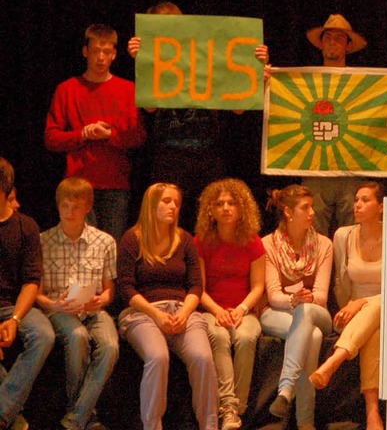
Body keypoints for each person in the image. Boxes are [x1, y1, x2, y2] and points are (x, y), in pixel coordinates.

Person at [127, 2, 269, 233]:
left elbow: (238, 109)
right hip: (170, 155)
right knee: (167, 221)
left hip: (209, 154)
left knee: (210, 224)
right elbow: (150, 107)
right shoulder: (157, 56)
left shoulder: (207, 51)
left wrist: (254, 65)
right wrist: (142, 61)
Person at [117, 183, 218, 430]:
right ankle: (152, 426)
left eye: (176, 202)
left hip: (182, 310)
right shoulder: (132, 239)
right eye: (166, 201)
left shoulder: (184, 240)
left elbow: (196, 287)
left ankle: (210, 425)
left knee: (203, 357)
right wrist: (156, 314)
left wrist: (184, 313)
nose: (173, 206)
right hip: (144, 312)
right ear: (151, 205)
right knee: (158, 356)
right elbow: (126, 289)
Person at [45, 24, 146, 242]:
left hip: (115, 185)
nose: (101, 57)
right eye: (95, 51)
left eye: (107, 52)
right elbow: (51, 138)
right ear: (85, 52)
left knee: (110, 249)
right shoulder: (68, 89)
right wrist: (82, 134)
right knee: (79, 249)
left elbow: (139, 137)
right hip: (77, 184)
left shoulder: (127, 89)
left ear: (114, 55)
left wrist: (110, 135)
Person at [38, 177, 119, 430]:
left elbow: (109, 291)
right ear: (57, 206)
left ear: (88, 208)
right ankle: (85, 416)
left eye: (76, 206)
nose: (70, 212)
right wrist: (55, 306)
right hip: (59, 309)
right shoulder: (43, 241)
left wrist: (101, 300)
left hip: (92, 309)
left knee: (110, 346)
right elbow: (37, 295)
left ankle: (76, 417)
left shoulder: (105, 242)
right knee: (77, 337)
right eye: (65, 206)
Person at [309, 181, 385, 430]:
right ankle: (372, 412)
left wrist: (361, 302)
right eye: (356, 200)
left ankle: (335, 359)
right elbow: (341, 283)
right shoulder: (344, 235)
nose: (358, 205)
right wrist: (348, 307)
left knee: (377, 308)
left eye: (365, 200)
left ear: (381, 207)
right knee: (373, 332)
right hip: (355, 315)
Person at [194, 179, 265, 430]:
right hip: (211, 310)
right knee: (219, 337)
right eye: (220, 203)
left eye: (232, 203)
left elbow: (258, 286)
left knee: (245, 338)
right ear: (210, 210)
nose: (226, 208)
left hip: (243, 310)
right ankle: (228, 407)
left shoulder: (253, 241)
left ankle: (237, 409)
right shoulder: (200, 241)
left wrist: (242, 310)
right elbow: (198, 288)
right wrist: (217, 311)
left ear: (241, 208)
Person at [260, 185, 332, 430]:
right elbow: (272, 294)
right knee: (313, 336)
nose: (312, 212)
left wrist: (304, 301)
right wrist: (293, 300)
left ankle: (286, 389)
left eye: (312, 206)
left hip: (315, 310)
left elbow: (321, 296)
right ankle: (305, 423)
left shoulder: (323, 245)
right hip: (278, 312)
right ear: (288, 212)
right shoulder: (268, 244)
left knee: (309, 315)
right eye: (305, 207)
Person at [300, 14, 369, 236]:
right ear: (321, 43)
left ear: (348, 46)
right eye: (328, 37)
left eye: (339, 38)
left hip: (349, 167)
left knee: (353, 232)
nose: (332, 42)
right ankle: (314, 272)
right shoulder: (305, 80)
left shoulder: (360, 82)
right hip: (315, 167)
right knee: (312, 230)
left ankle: (351, 272)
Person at [0, 157, 55, 430]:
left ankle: (4, 413)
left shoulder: (26, 227)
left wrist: (15, 320)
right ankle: (10, 416)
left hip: (13, 306)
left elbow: (31, 281)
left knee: (44, 334)